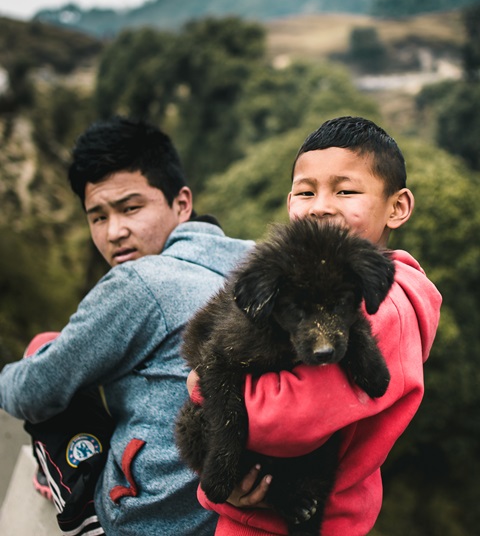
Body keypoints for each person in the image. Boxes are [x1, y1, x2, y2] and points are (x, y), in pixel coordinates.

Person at [189, 116, 442, 535]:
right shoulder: (306, 280)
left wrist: (199, 385)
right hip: (257, 515)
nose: (321, 205)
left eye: (345, 190)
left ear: (397, 207)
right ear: (290, 203)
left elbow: (281, 423)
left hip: (320, 521)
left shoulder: (386, 307)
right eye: (306, 192)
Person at [0, 116, 253, 535]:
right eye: (97, 217)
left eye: (131, 208)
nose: (116, 232)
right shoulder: (249, 261)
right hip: (228, 511)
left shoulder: (139, 283)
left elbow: (32, 393)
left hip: (148, 517)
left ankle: (79, 503)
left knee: (43, 351)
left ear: (181, 203)